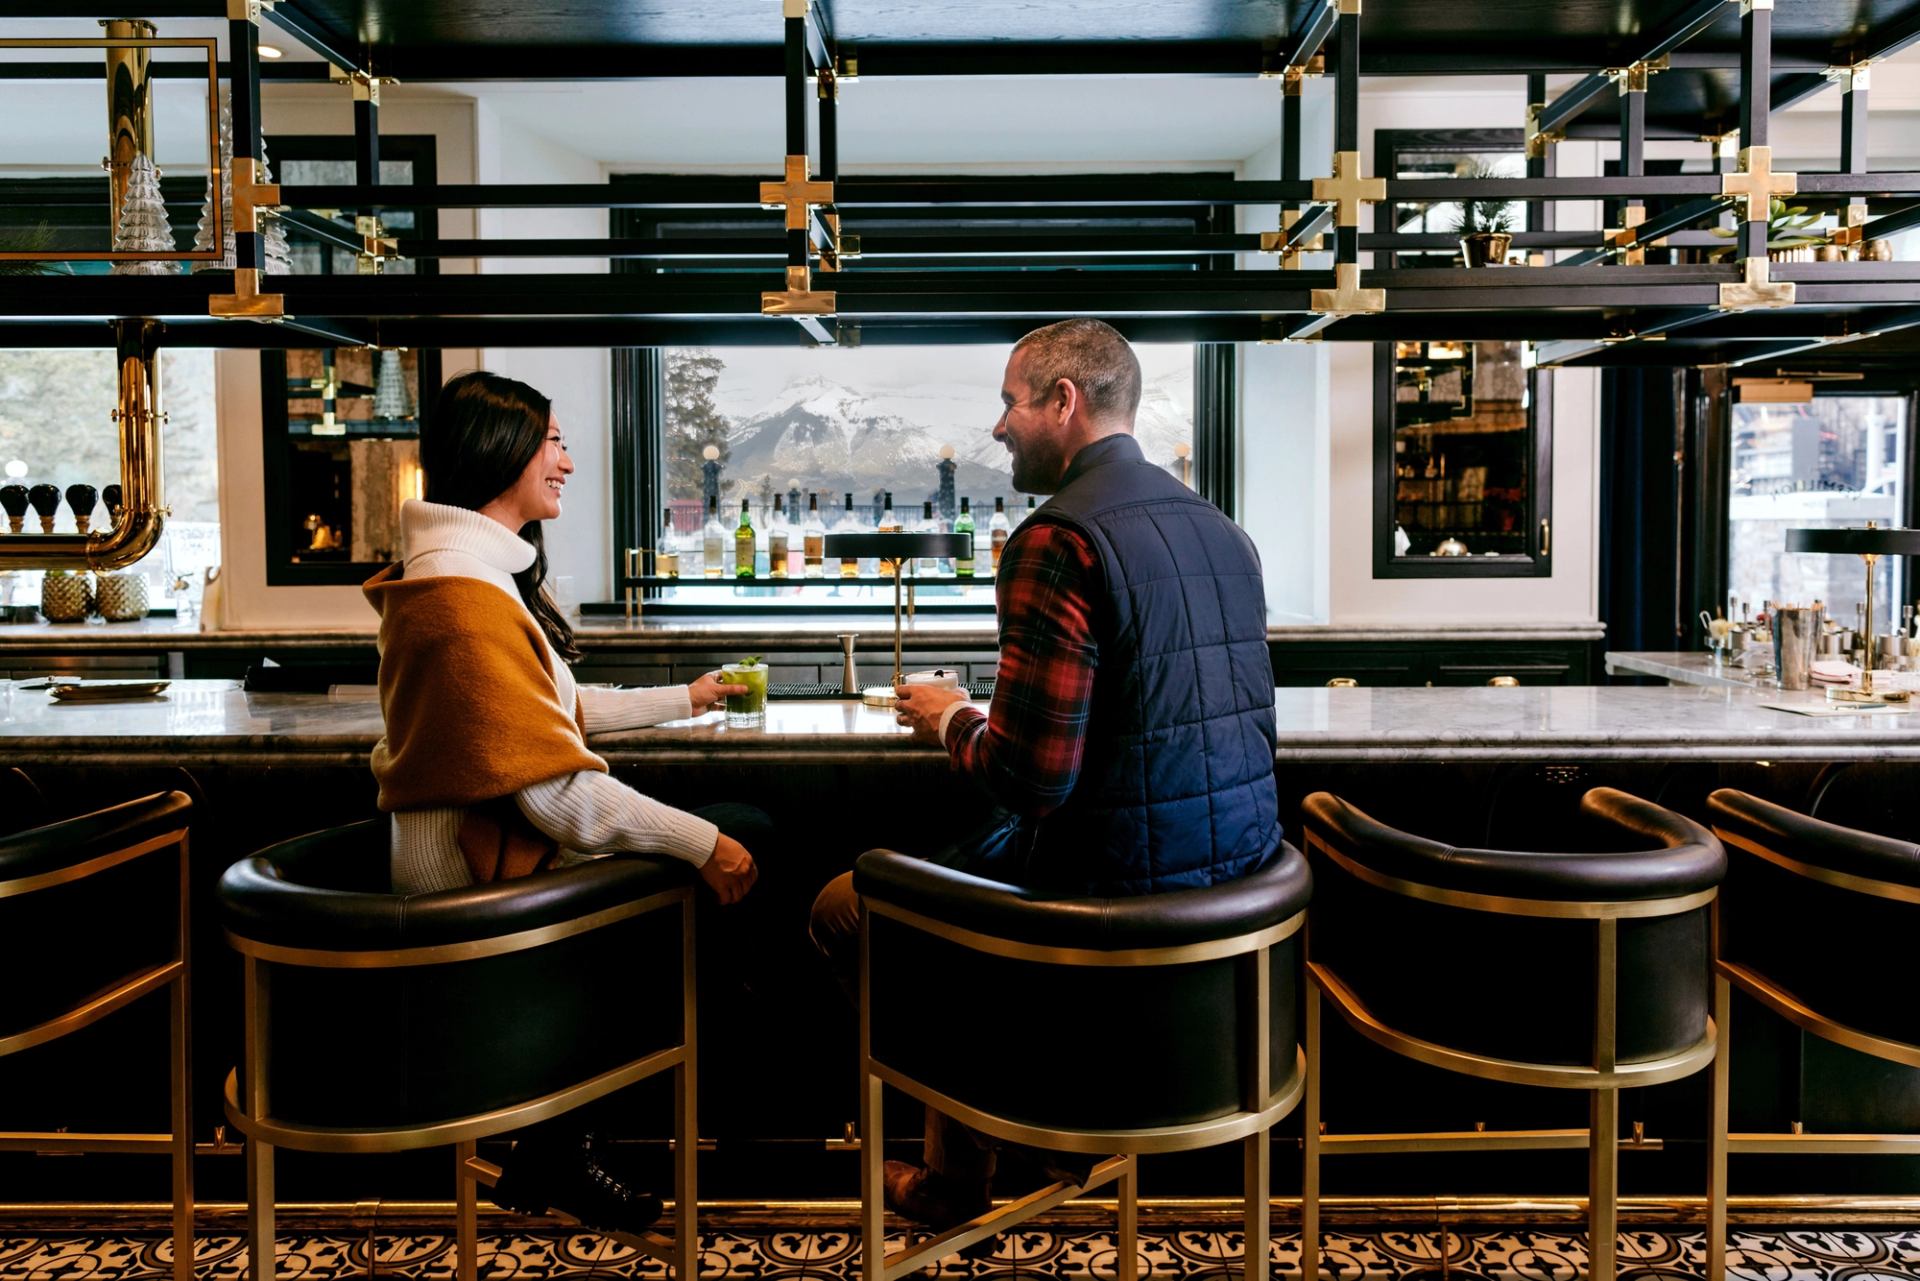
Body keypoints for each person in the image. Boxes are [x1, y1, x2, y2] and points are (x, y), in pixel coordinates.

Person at [810, 318, 1281, 1232]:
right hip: (1234, 914)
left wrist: (948, 715)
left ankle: (1010, 1130)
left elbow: (1031, 780)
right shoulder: (1225, 531)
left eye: (1010, 401)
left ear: (1064, 402)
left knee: (845, 905)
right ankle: (1019, 1132)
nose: (997, 427)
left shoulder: (1053, 541)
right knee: (960, 867)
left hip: (1105, 915)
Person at [365, 369, 762, 1232]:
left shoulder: (458, 571)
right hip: (478, 891)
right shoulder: (466, 599)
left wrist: (683, 700)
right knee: (746, 845)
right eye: (553, 442)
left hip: (474, 862)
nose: (569, 462)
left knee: (727, 856)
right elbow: (554, 794)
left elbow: (549, 716)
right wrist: (705, 843)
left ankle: (571, 1126)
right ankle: (597, 1121)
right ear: (500, 451)